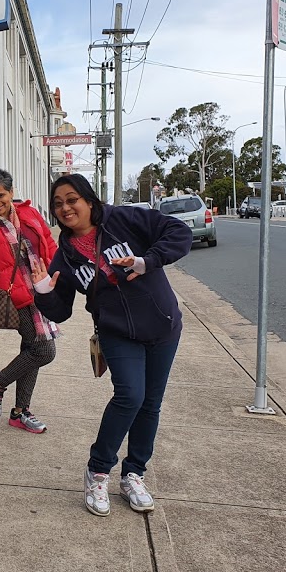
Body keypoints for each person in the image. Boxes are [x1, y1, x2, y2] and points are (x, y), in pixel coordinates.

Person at [32, 174, 192, 517]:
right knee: (130, 396)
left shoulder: (124, 219)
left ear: (89, 201)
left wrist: (147, 261)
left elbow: (179, 232)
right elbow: (61, 310)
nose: (65, 208)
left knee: (150, 404)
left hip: (163, 325)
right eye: (58, 203)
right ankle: (98, 470)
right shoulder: (65, 256)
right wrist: (43, 292)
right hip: (115, 332)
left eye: (72, 199)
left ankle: (134, 474)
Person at [0, 168, 59, 433]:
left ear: (11, 192)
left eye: (1, 195)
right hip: (15, 298)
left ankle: (21, 412)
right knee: (44, 351)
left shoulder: (31, 214)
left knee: (30, 350)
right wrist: (0, 288)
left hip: (41, 291)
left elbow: (49, 244)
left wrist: (56, 275)